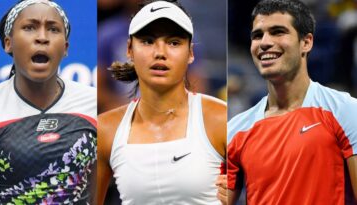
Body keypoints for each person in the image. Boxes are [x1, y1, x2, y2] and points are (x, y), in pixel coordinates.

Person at [227, 0, 357, 204]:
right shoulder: (235, 130)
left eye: (278, 32)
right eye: (257, 35)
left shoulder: (346, 111)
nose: (265, 42)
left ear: (306, 42)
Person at [0, 0, 97, 204]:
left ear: (65, 47)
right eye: (29, 27)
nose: (42, 37)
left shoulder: (94, 104)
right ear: (8, 42)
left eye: (53, 29)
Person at [97, 0, 227, 204]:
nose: (160, 52)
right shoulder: (105, 130)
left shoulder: (221, 120)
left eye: (174, 42)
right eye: (148, 41)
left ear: (191, 53)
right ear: (129, 50)